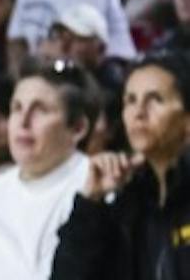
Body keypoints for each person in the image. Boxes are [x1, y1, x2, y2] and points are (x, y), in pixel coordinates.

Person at [0, 59, 96, 280]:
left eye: (40, 110)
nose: (23, 122)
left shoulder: (93, 187)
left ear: (78, 128)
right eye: (17, 108)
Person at [51, 51, 190, 279]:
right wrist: (91, 203)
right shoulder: (128, 202)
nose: (139, 112)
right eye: (131, 100)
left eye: (155, 99)